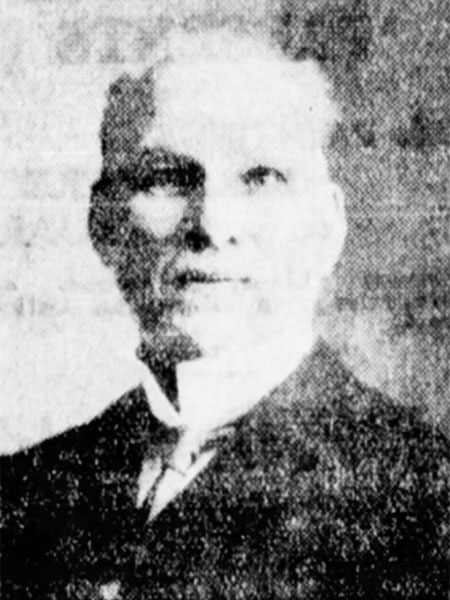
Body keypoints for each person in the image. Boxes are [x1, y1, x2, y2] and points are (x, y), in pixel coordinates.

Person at [1, 27, 448, 600]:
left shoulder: (423, 501)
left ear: (327, 227)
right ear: (104, 224)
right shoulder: (21, 493)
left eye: (261, 179)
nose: (212, 224)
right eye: (166, 178)